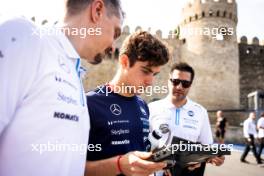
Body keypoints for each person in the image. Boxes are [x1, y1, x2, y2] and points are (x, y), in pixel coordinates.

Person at [0, 0, 124, 176]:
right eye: (115, 33)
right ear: (97, 10)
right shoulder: (25, 37)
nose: (113, 47)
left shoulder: (74, 73)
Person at [85, 31, 170, 176]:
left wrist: (170, 161)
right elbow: (70, 167)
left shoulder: (143, 106)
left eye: (154, 74)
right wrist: (118, 165)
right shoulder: (89, 104)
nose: (150, 82)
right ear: (124, 61)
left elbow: (141, 152)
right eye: (145, 71)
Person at [149, 62, 225, 176]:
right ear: (168, 80)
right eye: (175, 81)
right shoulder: (152, 108)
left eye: (185, 83)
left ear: (190, 84)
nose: (179, 87)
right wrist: (159, 158)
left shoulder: (200, 112)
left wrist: (213, 158)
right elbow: (141, 146)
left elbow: (206, 147)